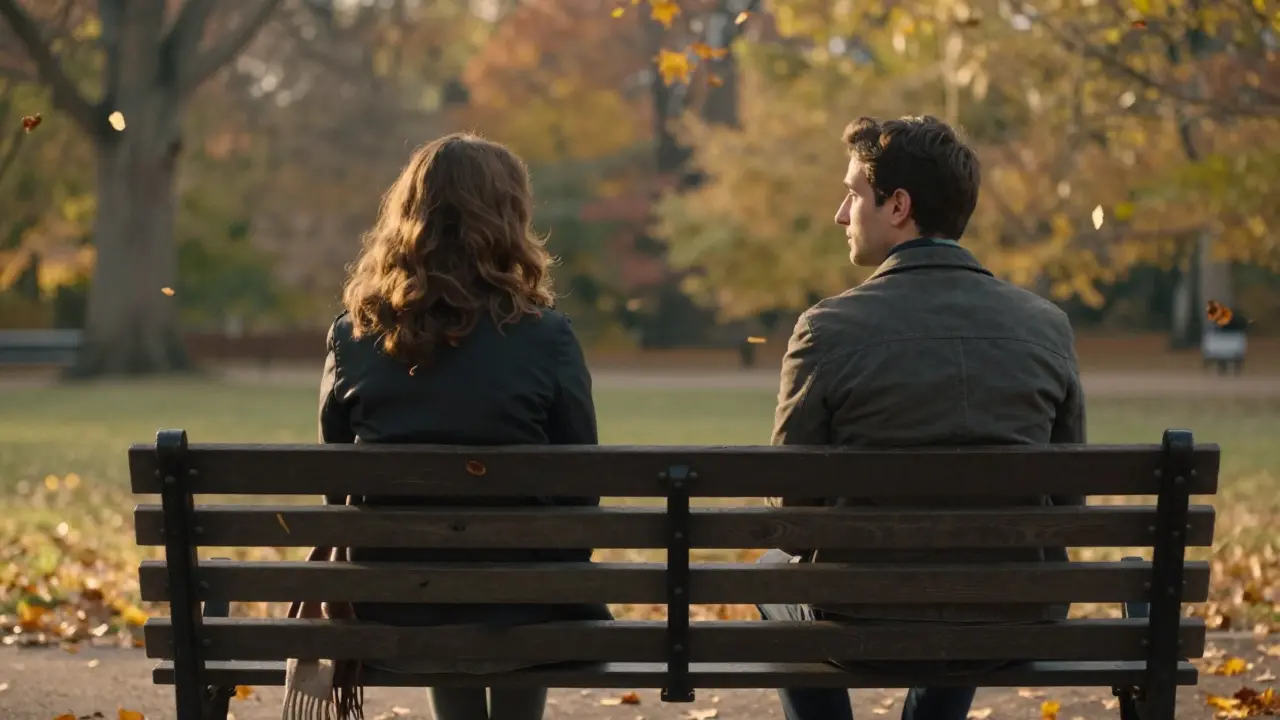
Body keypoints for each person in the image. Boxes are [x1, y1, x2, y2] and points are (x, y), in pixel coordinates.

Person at [759, 116, 1086, 720]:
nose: (840, 213)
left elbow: (792, 512)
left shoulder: (827, 330)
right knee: (969, 579)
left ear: (898, 206)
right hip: (1012, 610)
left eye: (854, 193)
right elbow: (1066, 503)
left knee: (766, 571)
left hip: (863, 612)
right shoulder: (1046, 327)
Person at [317, 133, 610, 720]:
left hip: (393, 603)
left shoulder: (355, 335)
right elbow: (581, 486)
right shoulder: (546, 335)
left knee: (443, 599)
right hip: (527, 603)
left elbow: (336, 484)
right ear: (509, 220)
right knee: (525, 589)